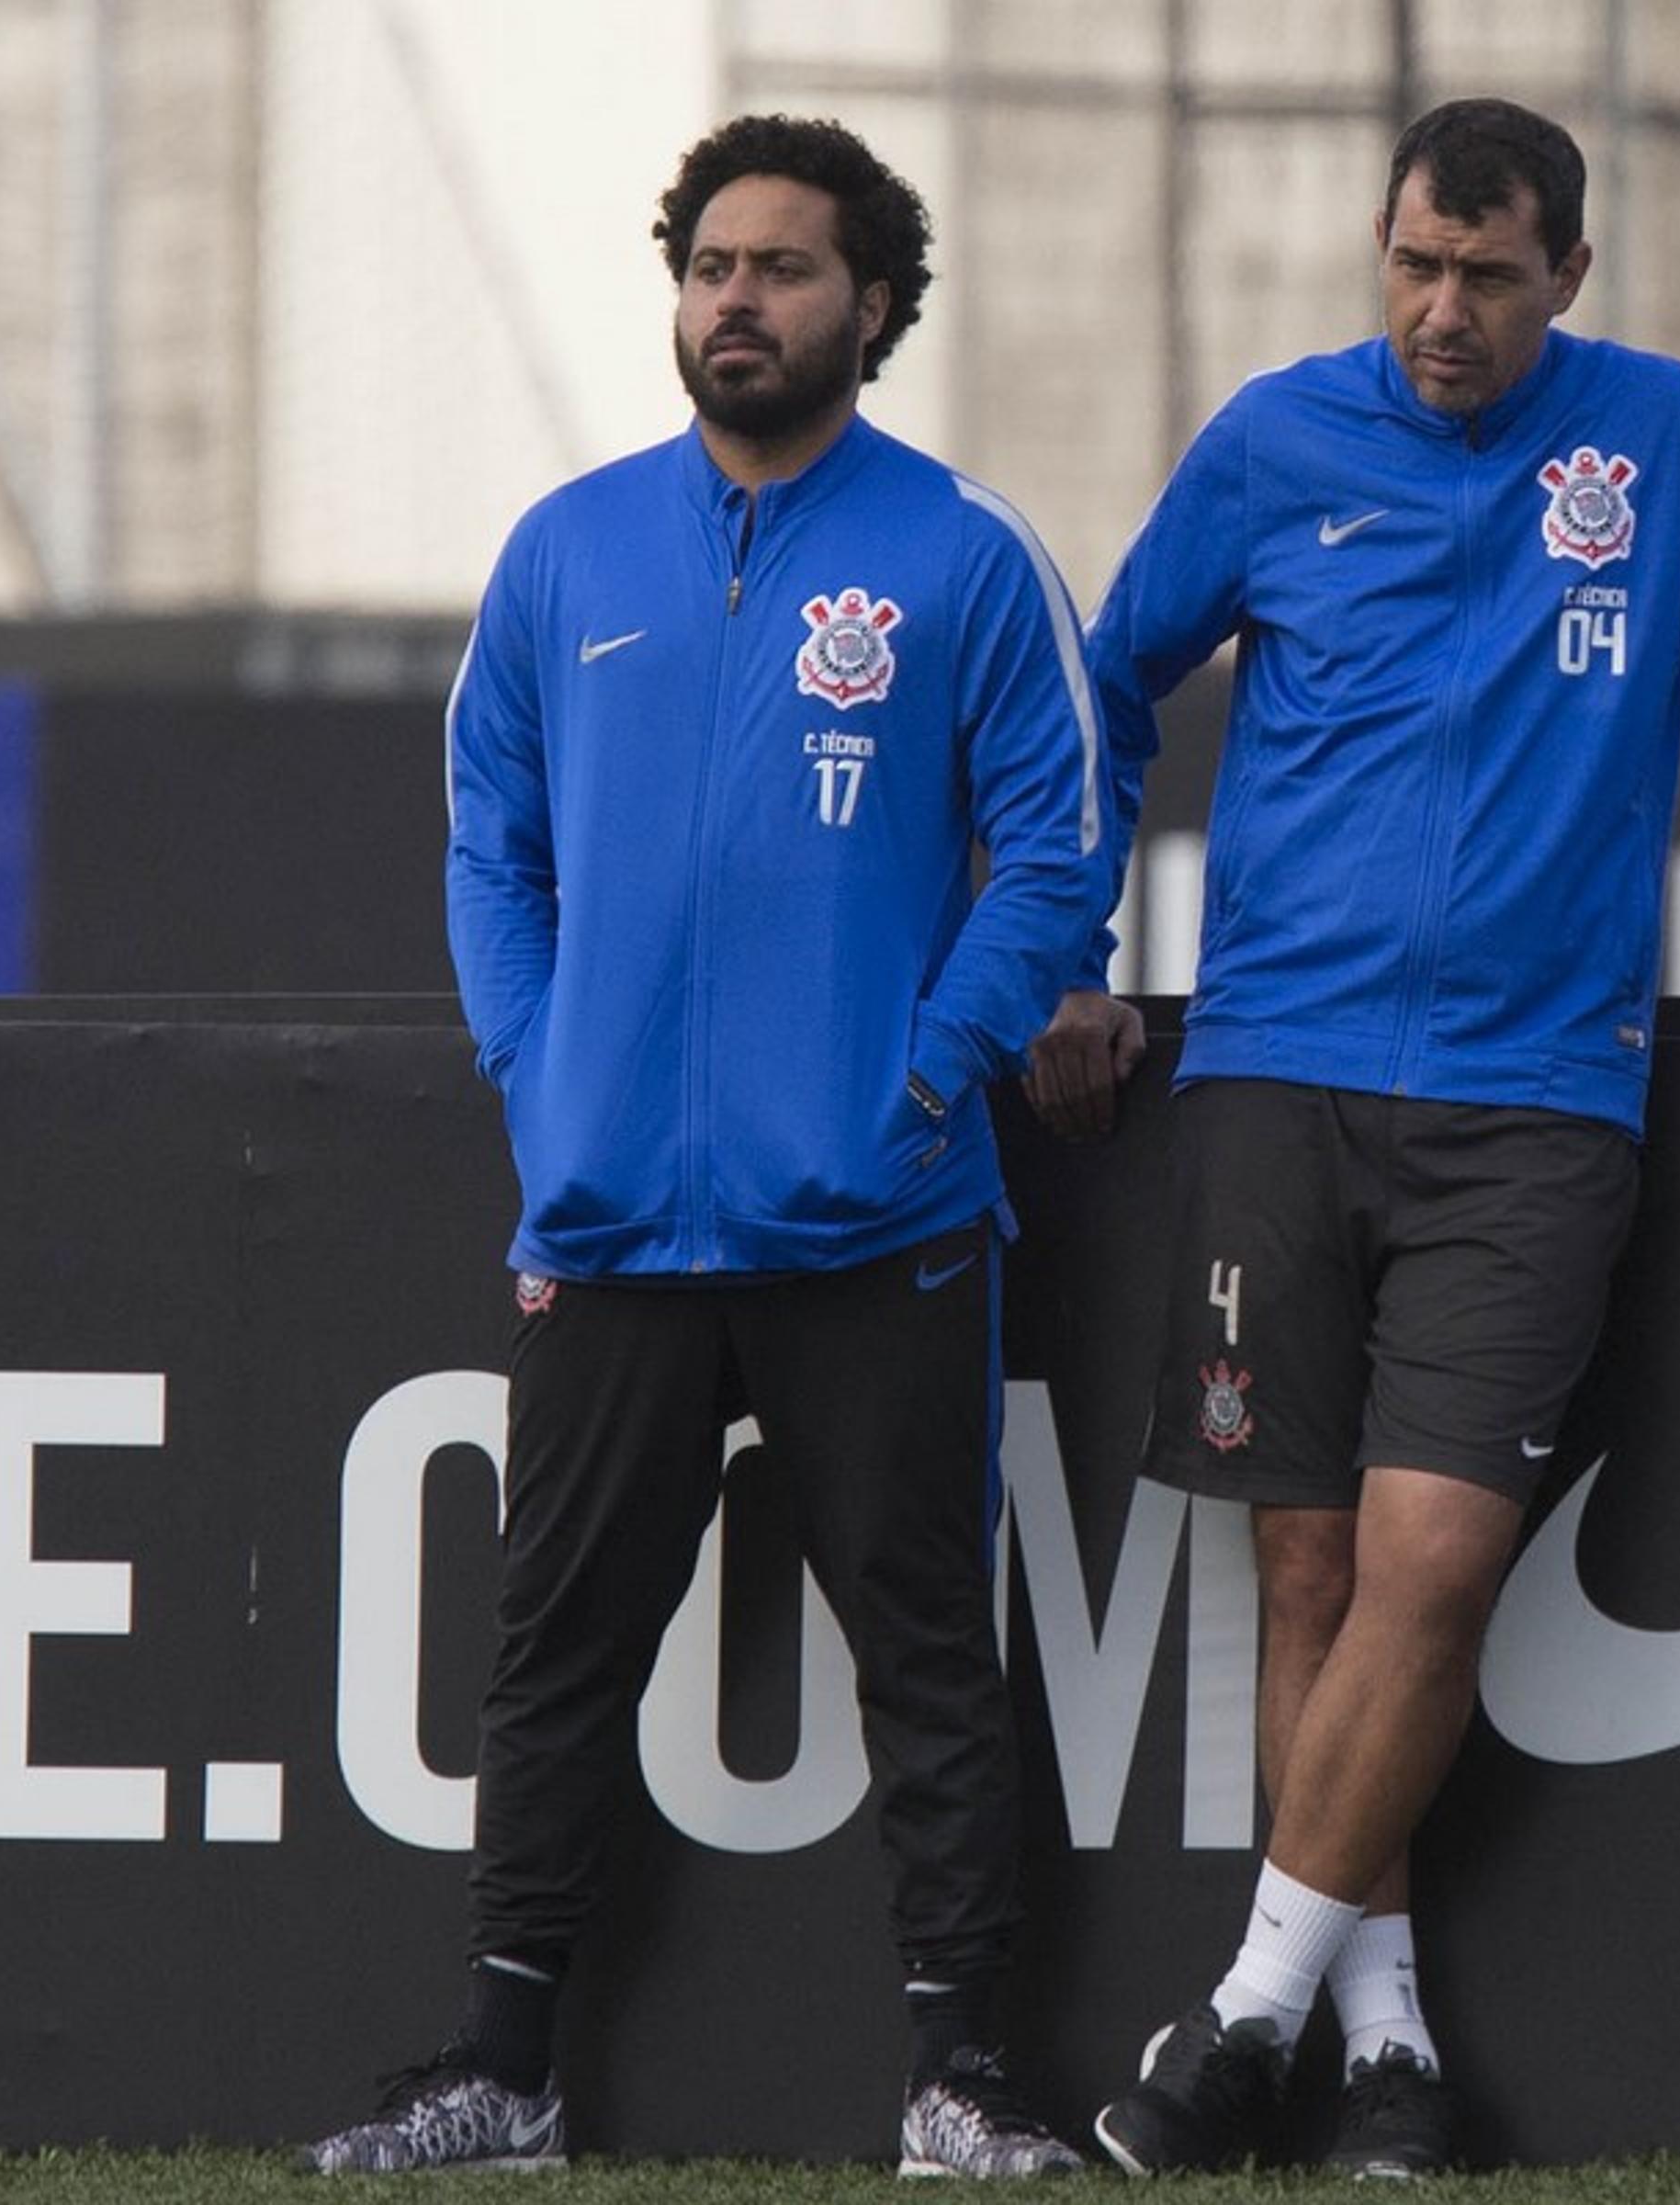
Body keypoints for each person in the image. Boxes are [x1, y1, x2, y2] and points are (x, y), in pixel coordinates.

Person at [1024, 95, 1680, 2178]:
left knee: (1428, 1558)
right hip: (1269, 1078)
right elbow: (1100, 685)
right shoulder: (1267, 439)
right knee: (1308, 1558)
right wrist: (1065, 941)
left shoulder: (1657, 440)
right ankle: (1389, 2047)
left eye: (1489, 278)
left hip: (1538, 1097)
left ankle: (1238, 2010)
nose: (1442, 311)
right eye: (1414, 264)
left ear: (1566, 280)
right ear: (1378, 240)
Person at [303, 115, 1108, 2178]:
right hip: (616, 1225)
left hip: (884, 1222)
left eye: (781, 269)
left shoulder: (958, 552)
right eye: (709, 266)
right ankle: (503, 2070)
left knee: (930, 1653)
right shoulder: (569, 551)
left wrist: (928, 1080)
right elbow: (495, 836)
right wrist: (541, 1070)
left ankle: (961, 2083)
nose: (734, 299)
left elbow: (1061, 848)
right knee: (555, 1650)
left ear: (876, 307)